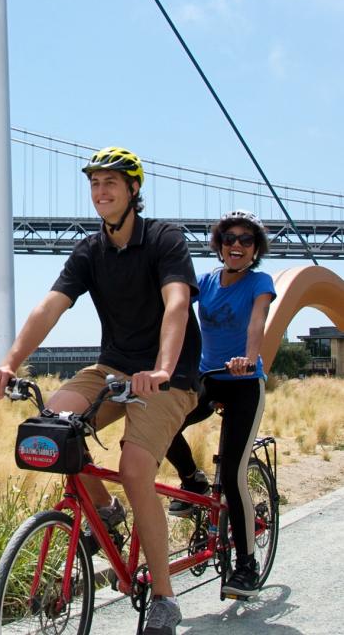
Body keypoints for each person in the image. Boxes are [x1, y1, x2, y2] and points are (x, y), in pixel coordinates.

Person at [0, 146, 201, 635]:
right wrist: (8, 362)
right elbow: (50, 306)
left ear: (133, 190)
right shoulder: (89, 250)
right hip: (112, 368)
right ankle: (106, 512)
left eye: (111, 183)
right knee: (50, 432)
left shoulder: (164, 239)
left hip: (171, 377)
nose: (100, 192)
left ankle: (164, 598)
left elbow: (177, 305)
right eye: (94, 184)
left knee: (134, 467)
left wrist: (163, 368)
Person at [165, 210, 276, 599]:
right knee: (161, 425)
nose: (237, 245)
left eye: (247, 240)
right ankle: (192, 479)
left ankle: (246, 565)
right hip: (207, 378)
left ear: (256, 249)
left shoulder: (259, 282)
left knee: (232, 474)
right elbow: (175, 310)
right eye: (230, 238)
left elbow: (256, 321)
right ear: (219, 244)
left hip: (244, 383)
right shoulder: (207, 281)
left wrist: (248, 357)